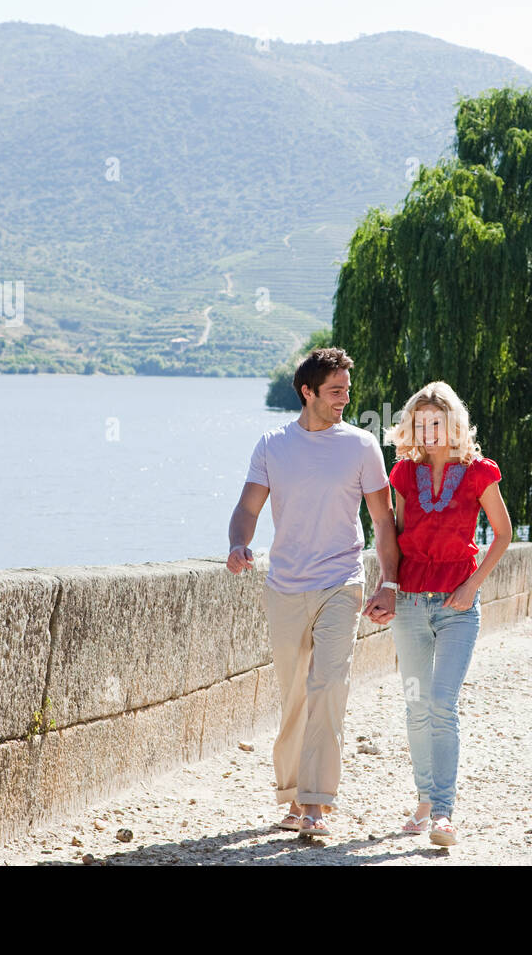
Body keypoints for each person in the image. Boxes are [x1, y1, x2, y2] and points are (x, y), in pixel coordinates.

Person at [227, 347, 400, 838]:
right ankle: (291, 794)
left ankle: (316, 803)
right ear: (308, 392)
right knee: (294, 694)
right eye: (336, 391)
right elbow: (248, 507)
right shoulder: (272, 445)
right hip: (284, 585)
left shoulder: (362, 446)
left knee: (329, 687)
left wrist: (388, 582)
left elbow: (383, 521)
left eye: (347, 389)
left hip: (341, 582)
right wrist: (239, 543)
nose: (345, 398)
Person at [376, 381, 511, 846]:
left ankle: (444, 813)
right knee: (416, 705)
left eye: (437, 422)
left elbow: (503, 533)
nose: (429, 431)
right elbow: (392, 535)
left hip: (458, 609)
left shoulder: (479, 472)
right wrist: (387, 587)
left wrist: (472, 586)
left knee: (441, 705)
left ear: (453, 424)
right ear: (411, 427)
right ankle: (424, 801)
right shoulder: (403, 475)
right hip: (411, 604)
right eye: (420, 423)